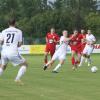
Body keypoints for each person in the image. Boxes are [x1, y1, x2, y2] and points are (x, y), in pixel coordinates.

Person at [0, 18, 28, 85]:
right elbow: (20, 44)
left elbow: (1, 42)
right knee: (25, 64)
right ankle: (17, 78)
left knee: (3, 66)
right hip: (12, 52)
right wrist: (15, 45)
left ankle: (17, 79)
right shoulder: (19, 31)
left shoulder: (3, 31)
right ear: (15, 23)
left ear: (8, 24)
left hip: (4, 52)